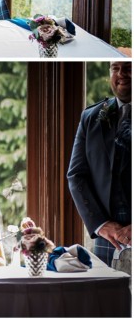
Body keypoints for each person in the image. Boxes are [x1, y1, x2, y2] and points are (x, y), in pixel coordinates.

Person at [68, 61, 131, 266]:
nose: (121, 74)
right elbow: (76, 175)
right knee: (109, 296)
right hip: (108, 235)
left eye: (128, 68)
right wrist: (101, 225)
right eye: (115, 68)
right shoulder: (91, 116)